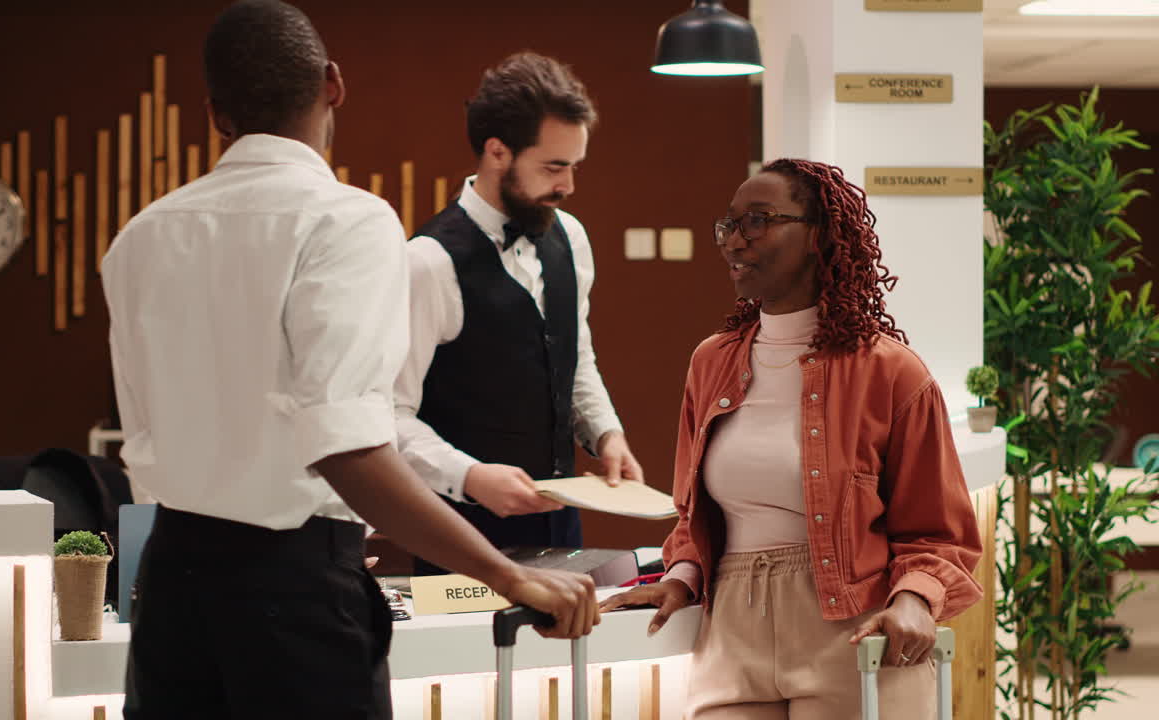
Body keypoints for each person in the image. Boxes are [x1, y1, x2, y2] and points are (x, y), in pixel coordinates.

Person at [102, 4, 599, 719]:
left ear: (215, 115)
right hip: (295, 596)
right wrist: (507, 576)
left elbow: (143, 434)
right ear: (332, 84)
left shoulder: (139, 238)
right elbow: (348, 448)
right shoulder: (349, 221)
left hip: (169, 595)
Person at [600, 159, 982, 719]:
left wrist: (915, 599)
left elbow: (937, 530)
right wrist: (681, 577)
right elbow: (694, 515)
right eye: (729, 224)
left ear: (818, 236)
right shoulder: (711, 363)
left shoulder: (890, 371)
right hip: (732, 631)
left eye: (758, 221)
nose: (734, 240)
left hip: (853, 630)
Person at [395, 52, 643, 572]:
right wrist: (469, 477)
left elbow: (575, 357)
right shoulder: (428, 262)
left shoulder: (571, 237)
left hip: (561, 522)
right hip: (459, 532)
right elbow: (390, 414)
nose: (569, 186)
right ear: (497, 152)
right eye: (553, 167)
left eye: (574, 166)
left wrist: (606, 433)